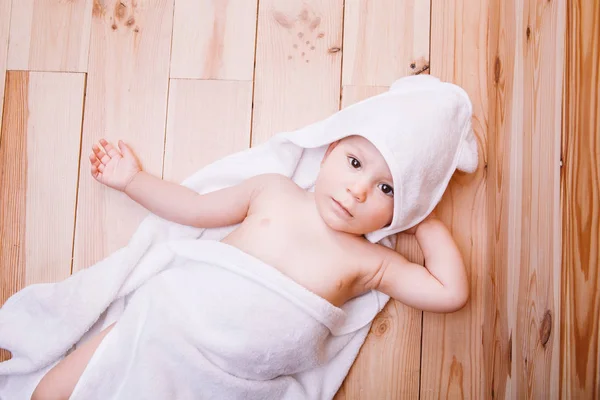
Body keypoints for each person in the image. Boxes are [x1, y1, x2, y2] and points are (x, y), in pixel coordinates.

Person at [32, 135, 469, 399]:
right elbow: (194, 207)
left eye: (386, 189)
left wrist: (426, 223)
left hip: (225, 376)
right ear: (330, 151)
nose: (357, 190)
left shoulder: (372, 262)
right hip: (166, 325)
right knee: (49, 394)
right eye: (355, 163)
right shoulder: (273, 191)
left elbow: (448, 292)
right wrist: (132, 181)